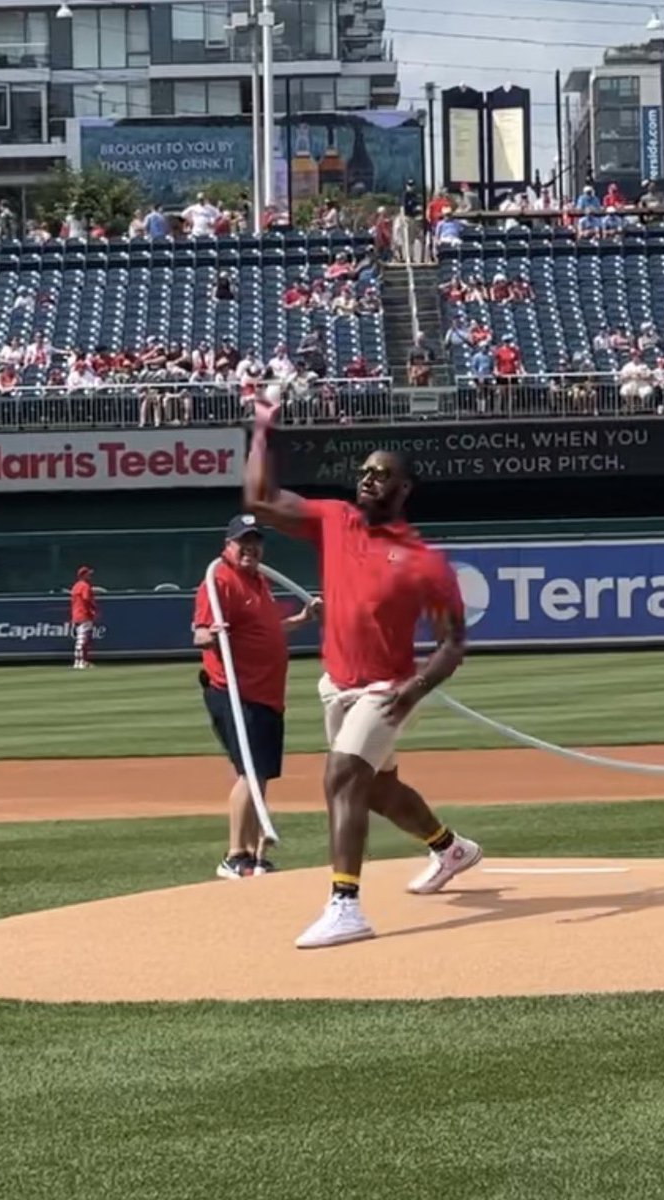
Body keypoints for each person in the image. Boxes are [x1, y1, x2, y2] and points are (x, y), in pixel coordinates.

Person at [243, 395, 483, 949]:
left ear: (404, 490)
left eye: (382, 474)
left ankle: (345, 905)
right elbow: (259, 497)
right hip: (339, 686)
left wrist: (416, 688)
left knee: (341, 777)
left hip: (387, 690)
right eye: (364, 472)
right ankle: (450, 848)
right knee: (377, 789)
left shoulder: (425, 561)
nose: (369, 480)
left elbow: (453, 644)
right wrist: (259, 428)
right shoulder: (335, 520)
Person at [192, 515, 322, 880]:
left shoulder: (258, 580)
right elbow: (200, 634)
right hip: (237, 691)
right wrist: (213, 634)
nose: (250, 548)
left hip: (266, 693)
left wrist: (302, 619)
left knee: (260, 774)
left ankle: (251, 855)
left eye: (255, 541)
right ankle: (234, 854)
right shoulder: (218, 580)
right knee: (250, 772)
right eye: (242, 541)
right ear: (228, 544)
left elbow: (265, 630)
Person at [70, 565, 98, 670]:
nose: (90, 576)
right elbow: (87, 599)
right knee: (83, 640)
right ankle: (82, 662)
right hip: (84, 615)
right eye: (88, 574)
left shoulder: (75, 586)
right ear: (83, 575)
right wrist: (94, 609)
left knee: (80, 640)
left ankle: (78, 662)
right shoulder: (85, 586)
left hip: (76, 615)